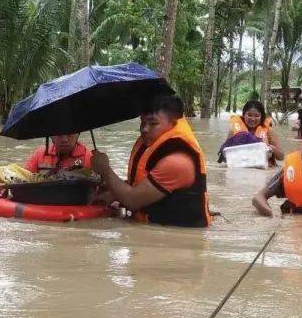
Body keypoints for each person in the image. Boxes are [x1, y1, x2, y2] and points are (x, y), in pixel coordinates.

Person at [90, 93, 211, 228]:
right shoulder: (154, 144)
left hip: (175, 242)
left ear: (174, 123)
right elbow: (140, 185)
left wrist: (105, 170)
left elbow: (132, 200)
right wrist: (112, 192)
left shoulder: (177, 162)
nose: (144, 129)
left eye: (153, 123)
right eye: (143, 122)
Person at [220, 99, 285, 163]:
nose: (253, 119)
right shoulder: (234, 130)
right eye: (249, 115)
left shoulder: (269, 131)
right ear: (244, 115)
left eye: (257, 116)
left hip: (265, 170)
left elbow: (281, 157)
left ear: (261, 117)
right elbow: (225, 154)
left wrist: (272, 148)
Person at [24, 133, 91, 175]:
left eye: (69, 134)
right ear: (51, 136)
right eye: (59, 134)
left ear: (78, 134)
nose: (64, 139)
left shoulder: (90, 158)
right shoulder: (38, 156)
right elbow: (23, 181)